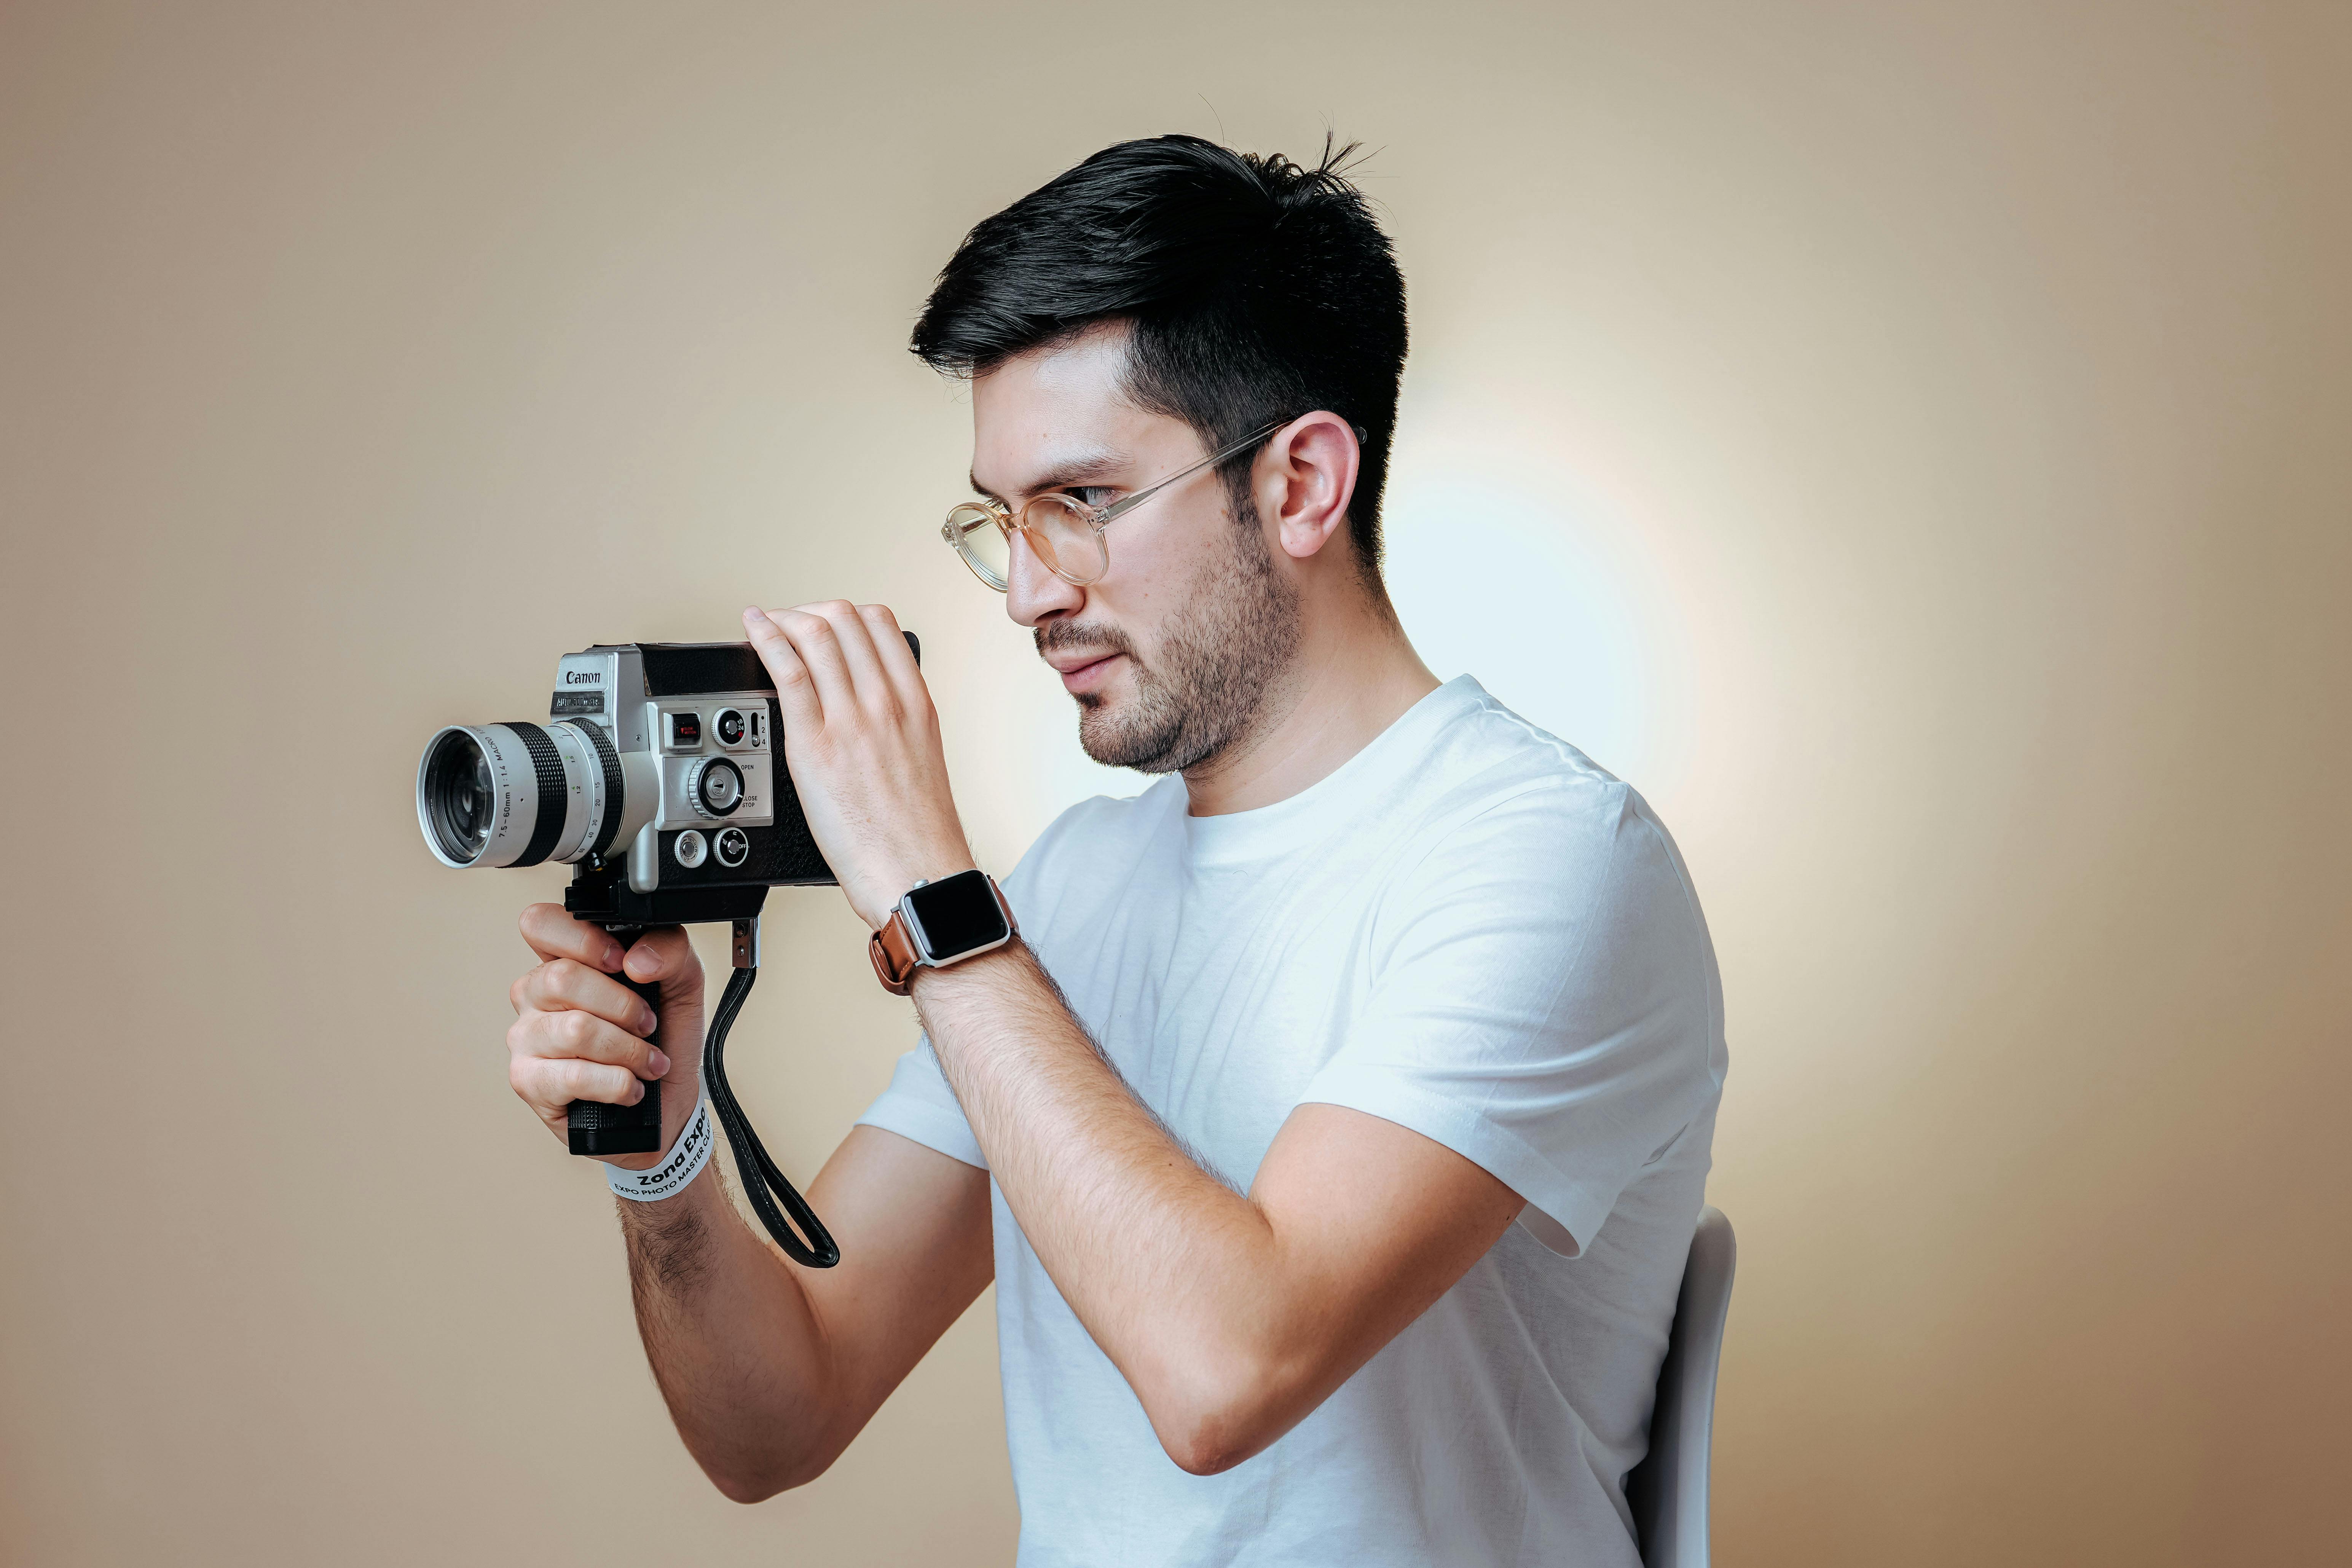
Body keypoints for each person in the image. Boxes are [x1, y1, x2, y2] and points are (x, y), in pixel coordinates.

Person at [502, 134, 1727, 1568]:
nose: (1027, 592)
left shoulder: (1548, 862)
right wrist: (662, 1160)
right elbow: (781, 1419)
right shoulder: (1075, 885)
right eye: (1001, 520)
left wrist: (925, 891)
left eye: (1080, 502)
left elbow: (1228, 1374)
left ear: (1300, 485)